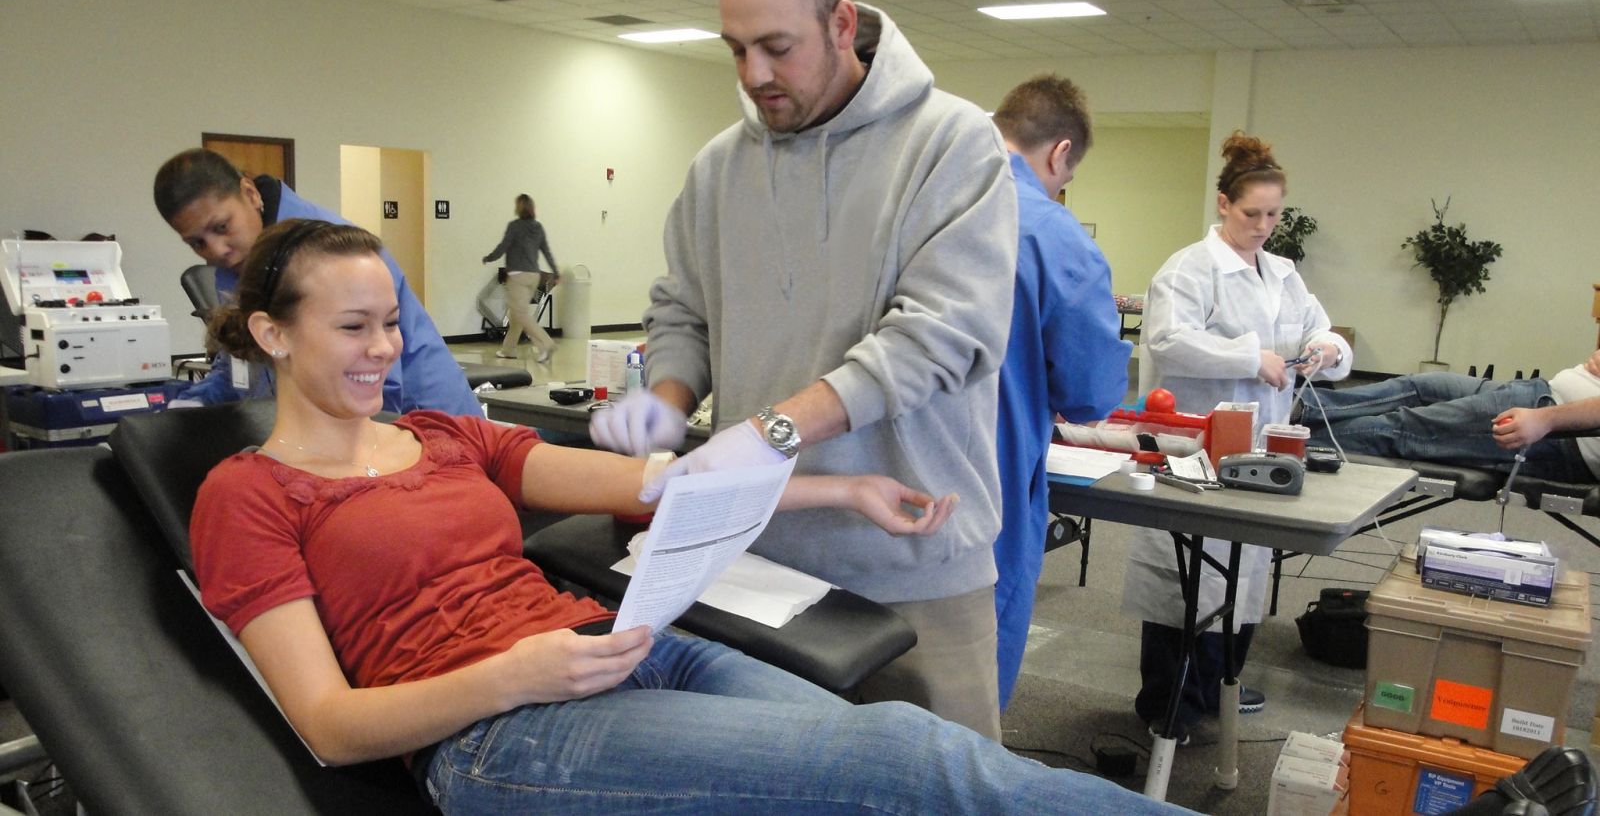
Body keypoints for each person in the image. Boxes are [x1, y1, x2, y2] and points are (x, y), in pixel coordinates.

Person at [188, 218, 1195, 816]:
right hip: (502, 732)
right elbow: (328, 726)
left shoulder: (447, 435)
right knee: (910, 764)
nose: (383, 348)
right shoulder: (249, 494)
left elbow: (650, 485)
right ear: (272, 332)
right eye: (351, 327)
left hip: (623, 648)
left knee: (896, 745)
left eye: (392, 324)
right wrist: (511, 674)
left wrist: (838, 487)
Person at [587, 0, 1018, 739]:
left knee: (937, 789)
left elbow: (939, 335)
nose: (753, 74)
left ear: (843, 23)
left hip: (911, 565)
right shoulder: (719, 168)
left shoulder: (952, 144)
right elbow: (684, 311)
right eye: (735, 48)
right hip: (754, 559)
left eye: (777, 47)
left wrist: (771, 432)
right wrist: (666, 404)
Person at [1121, 131, 1353, 743]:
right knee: (1188, 576)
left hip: (1262, 443)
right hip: (1194, 447)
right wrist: (1252, 359)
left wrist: (1326, 349)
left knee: (1245, 566)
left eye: (1274, 215)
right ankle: (1167, 703)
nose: (1264, 226)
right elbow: (1167, 341)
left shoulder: (1283, 272)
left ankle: (1221, 681)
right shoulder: (1189, 269)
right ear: (1223, 204)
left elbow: (1326, 336)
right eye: (1252, 213)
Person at [989, 75, 1130, 709]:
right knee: (960, 713)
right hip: (984, 495)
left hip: (858, 487)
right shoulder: (1053, 235)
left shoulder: (905, 203)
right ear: (1058, 153)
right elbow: (1091, 393)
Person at [153, 148, 479, 416]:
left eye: (222, 227)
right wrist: (194, 403)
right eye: (197, 243)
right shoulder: (242, 266)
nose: (217, 251)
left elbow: (374, 382)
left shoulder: (334, 252)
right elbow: (239, 366)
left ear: (250, 193)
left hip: (421, 419)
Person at [1297, 349, 1600, 482]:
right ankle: (1297, 407)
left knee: (1402, 428)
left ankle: (1283, 442)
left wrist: (1545, 419)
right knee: (1417, 386)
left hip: (1560, 433)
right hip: (1541, 393)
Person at [482, 193, 559, 364]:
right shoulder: (538, 227)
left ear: (519, 208)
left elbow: (503, 247)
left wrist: (489, 258)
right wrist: (556, 272)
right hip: (534, 276)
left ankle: (546, 344)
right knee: (515, 314)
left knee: (520, 314)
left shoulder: (514, 226)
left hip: (518, 277)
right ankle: (508, 349)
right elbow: (547, 251)